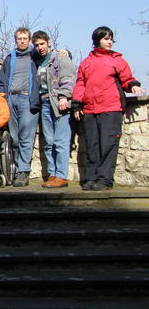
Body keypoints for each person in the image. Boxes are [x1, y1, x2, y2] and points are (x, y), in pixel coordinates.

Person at [72, 26, 145, 191]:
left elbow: (127, 78)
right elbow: (80, 84)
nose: (110, 41)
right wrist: (76, 104)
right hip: (90, 110)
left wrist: (133, 86)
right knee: (92, 146)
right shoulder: (86, 62)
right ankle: (91, 178)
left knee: (108, 145)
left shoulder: (117, 60)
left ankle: (105, 180)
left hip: (111, 108)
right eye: (106, 38)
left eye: (111, 38)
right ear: (97, 40)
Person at [32, 30, 76, 188]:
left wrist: (64, 96)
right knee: (49, 141)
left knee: (60, 141)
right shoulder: (37, 60)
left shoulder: (59, 57)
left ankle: (61, 175)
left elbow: (68, 77)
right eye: (37, 45)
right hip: (44, 102)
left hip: (58, 102)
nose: (40, 47)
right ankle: (52, 174)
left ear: (48, 42)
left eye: (42, 44)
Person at [0, 28, 40, 187]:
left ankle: (23, 171)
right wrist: (2, 97)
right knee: (14, 138)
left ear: (29, 40)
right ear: (15, 40)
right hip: (11, 99)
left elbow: (51, 59)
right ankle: (15, 168)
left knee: (26, 137)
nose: (22, 41)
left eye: (25, 38)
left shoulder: (35, 56)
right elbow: (2, 81)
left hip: (27, 99)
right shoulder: (10, 58)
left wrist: (64, 52)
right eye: (19, 39)